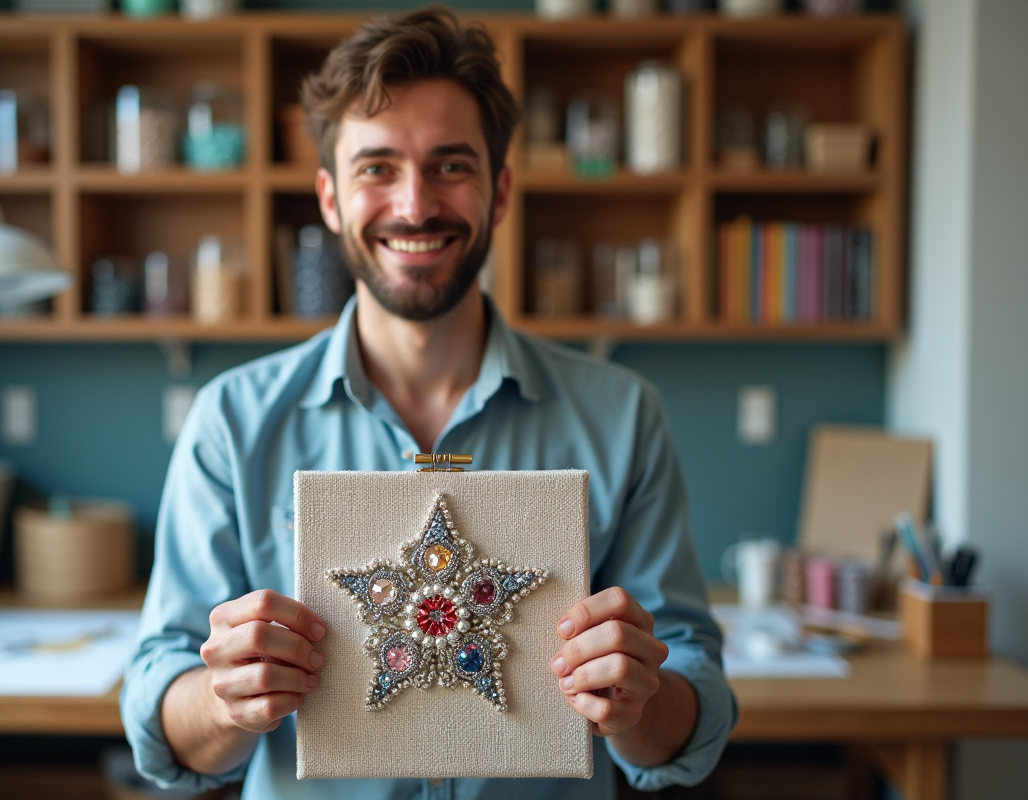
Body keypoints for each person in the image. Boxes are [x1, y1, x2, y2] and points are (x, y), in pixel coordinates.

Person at [122, 8, 736, 799]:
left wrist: (640, 706)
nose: (415, 205)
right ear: (331, 199)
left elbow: (692, 702)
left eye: (451, 166)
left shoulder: (625, 417)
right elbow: (159, 708)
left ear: (501, 190)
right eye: (377, 168)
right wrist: (221, 700)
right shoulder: (230, 422)